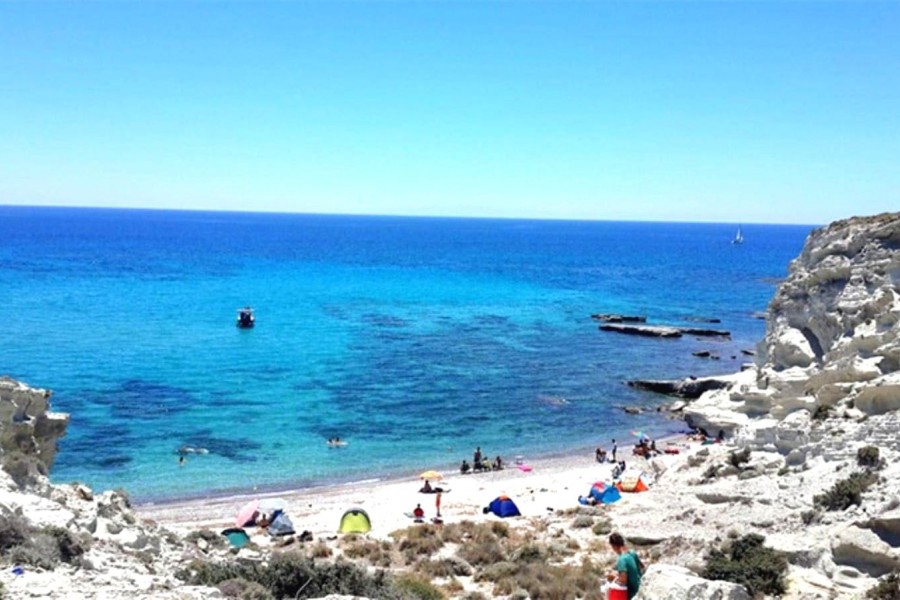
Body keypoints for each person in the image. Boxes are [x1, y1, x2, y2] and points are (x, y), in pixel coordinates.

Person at [607, 532, 642, 599]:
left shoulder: (622, 559)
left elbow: (623, 581)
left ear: (614, 546)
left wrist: (614, 577)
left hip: (632, 595)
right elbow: (641, 568)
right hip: (640, 589)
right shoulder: (632, 553)